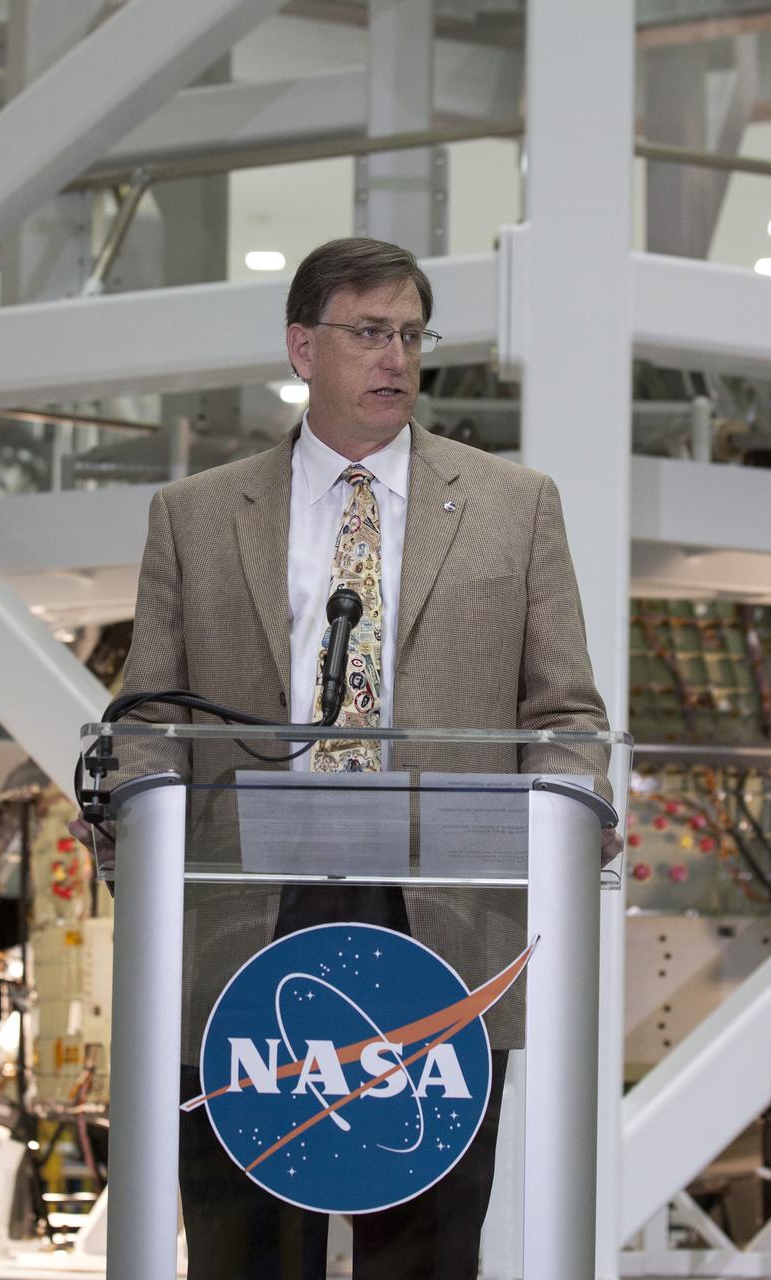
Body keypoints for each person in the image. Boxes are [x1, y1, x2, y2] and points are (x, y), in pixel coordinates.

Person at [72, 236, 612, 1279]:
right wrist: (134, 830)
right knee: (242, 1243)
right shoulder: (193, 515)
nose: (394, 356)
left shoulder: (516, 506)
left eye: (410, 334)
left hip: (441, 916)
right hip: (242, 913)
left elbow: (566, 712)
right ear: (301, 347)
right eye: (368, 331)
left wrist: (571, 815)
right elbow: (145, 716)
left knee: (424, 1246)